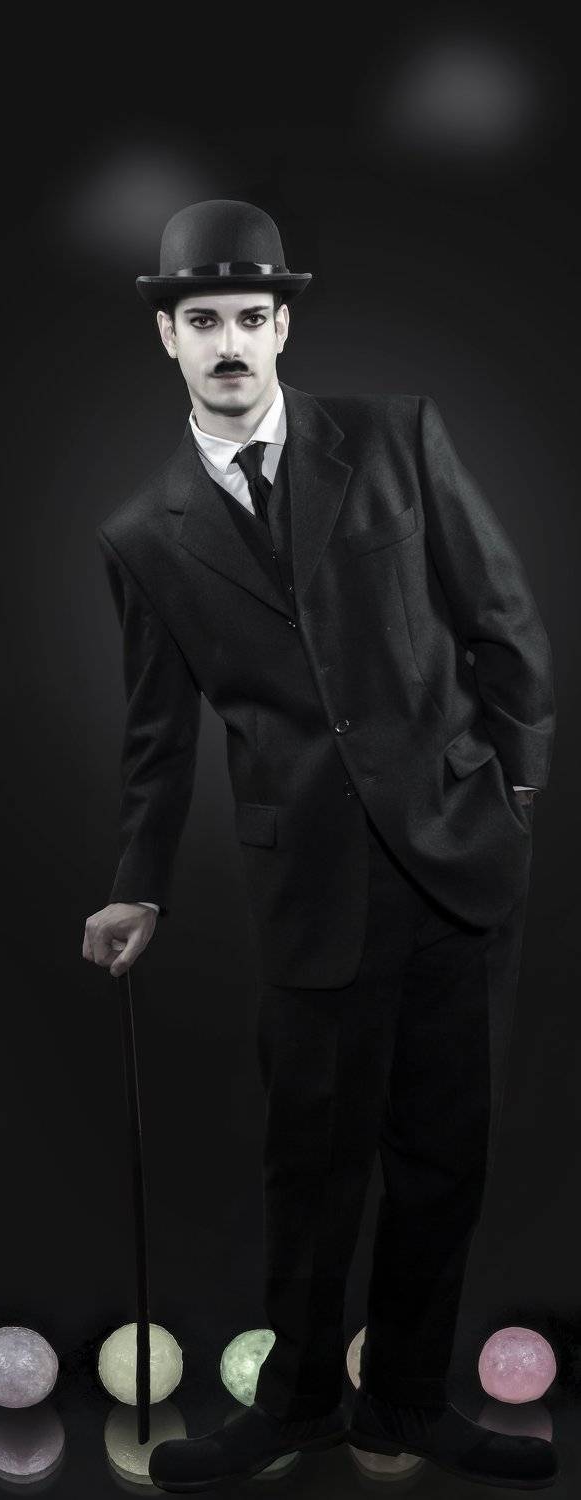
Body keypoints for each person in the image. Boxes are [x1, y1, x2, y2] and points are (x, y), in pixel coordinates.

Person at [82, 200, 557, 1491]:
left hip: (457, 859)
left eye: (251, 315)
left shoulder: (396, 437)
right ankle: (293, 1410)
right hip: (308, 884)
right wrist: (138, 891)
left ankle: (405, 1403)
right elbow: (156, 740)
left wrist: (513, 793)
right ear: (169, 339)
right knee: (312, 1166)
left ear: (282, 325)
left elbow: (503, 620)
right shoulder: (143, 537)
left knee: (442, 1159)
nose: (230, 341)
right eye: (203, 320)